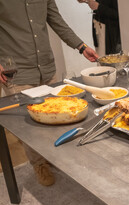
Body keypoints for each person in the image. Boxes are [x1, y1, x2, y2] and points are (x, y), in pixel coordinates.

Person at [0, 0, 99, 186]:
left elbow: (55, 19)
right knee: (29, 126)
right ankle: (39, 164)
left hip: (46, 66)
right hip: (16, 70)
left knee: (57, 116)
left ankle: (55, 156)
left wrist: (81, 46)